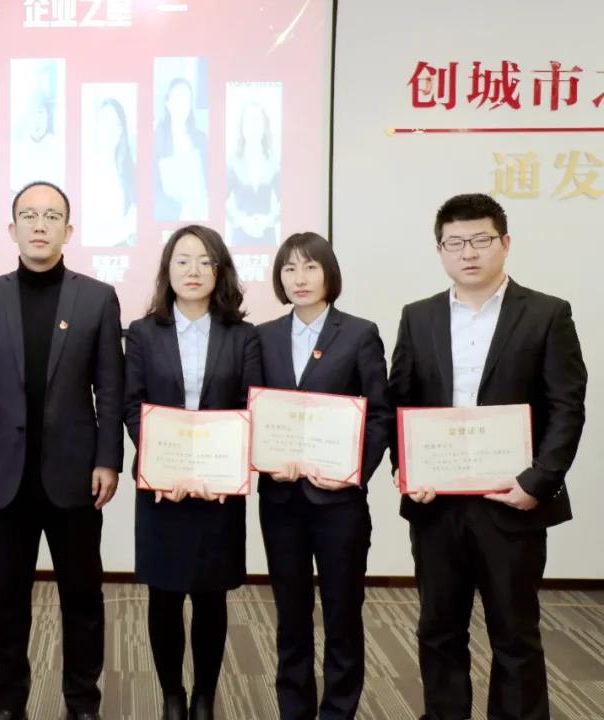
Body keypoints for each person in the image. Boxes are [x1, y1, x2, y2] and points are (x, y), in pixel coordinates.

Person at [389, 193, 587, 720]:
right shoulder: (418, 316)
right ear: (440, 250)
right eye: (455, 243)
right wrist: (405, 469)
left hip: (512, 500)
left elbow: (567, 406)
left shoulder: (547, 313)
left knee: (514, 632)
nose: (468, 253)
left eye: (480, 240)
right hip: (436, 502)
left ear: (505, 243)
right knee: (438, 629)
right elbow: (401, 401)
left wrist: (538, 481)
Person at [0, 181, 124, 720]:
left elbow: (110, 388)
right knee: (7, 597)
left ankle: (82, 703)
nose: (39, 225)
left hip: (75, 473)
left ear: (68, 230)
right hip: (4, 475)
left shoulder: (97, 298)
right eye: (29, 215)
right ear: (12, 229)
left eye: (51, 216)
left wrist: (108, 459)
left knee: (83, 596)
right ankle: (9, 702)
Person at [124, 224, 262, 720]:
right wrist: (164, 468)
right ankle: (172, 695)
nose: (194, 271)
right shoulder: (143, 333)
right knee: (163, 595)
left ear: (220, 271)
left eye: (206, 261)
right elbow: (132, 404)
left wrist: (221, 470)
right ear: (167, 270)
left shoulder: (242, 335)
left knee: (210, 596)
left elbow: (250, 406)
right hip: (161, 488)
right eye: (182, 260)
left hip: (218, 489)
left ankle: (204, 695)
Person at [255, 233, 392, 720]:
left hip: (339, 504)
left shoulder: (359, 334)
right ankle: (294, 709)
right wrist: (264, 458)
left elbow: (379, 414)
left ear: (329, 273)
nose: (300, 278)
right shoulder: (263, 336)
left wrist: (353, 473)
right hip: (281, 500)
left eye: (310, 267)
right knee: (290, 614)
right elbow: (252, 412)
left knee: (342, 612)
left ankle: (338, 711)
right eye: (289, 269)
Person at [82, 97, 137, 247]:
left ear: (122, 130)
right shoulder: (88, 170)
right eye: (105, 123)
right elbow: (90, 235)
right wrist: (126, 228)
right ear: (97, 127)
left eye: (116, 124)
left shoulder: (127, 168)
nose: (111, 130)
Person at [153, 77, 209, 221]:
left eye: (187, 99)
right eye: (178, 98)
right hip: (171, 219)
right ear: (168, 103)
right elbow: (151, 191)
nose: (182, 104)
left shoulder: (202, 139)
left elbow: (211, 183)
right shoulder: (156, 140)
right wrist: (180, 211)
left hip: (201, 217)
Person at [225, 102, 280, 246]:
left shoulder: (274, 161)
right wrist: (241, 221)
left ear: (264, 126)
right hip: (240, 236)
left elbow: (286, 200)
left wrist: (269, 220)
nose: (253, 125)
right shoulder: (232, 162)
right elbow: (220, 200)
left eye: (257, 120)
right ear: (242, 127)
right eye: (249, 120)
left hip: (267, 235)